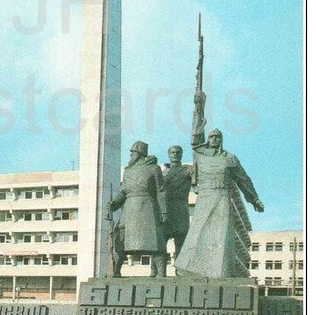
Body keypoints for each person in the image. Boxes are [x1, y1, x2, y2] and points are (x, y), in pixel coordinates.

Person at [175, 95, 264, 278]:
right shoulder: (201, 154)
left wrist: (253, 199)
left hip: (222, 197)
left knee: (220, 237)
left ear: (221, 139)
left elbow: (243, 179)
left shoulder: (229, 158)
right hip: (205, 197)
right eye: (212, 136)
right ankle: (190, 269)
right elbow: (195, 134)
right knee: (198, 232)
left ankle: (219, 274)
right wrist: (199, 105)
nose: (214, 138)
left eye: (217, 136)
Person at [109, 141, 167, 278]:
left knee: (155, 241)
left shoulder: (154, 169)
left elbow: (161, 191)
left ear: (140, 154)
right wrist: (114, 203)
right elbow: (123, 192)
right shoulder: (128, 171)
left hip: (148, 207)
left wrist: (164, 211)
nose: (131, 155)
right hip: (129, 208)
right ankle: (116, 271)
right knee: (120, 239)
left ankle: (161, 272)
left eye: (133, 153)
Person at [151, 146, 193, 276]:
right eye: (172, 152)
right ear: (168, 154)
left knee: (181, 242)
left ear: (181, 154)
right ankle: (156, 271)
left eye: (178, 152)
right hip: (165, 210)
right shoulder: (162, 172)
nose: (175, 154)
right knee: (160, 241)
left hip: (180, 209)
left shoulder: (187, 170)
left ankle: (179, 270)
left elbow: (197, 181)